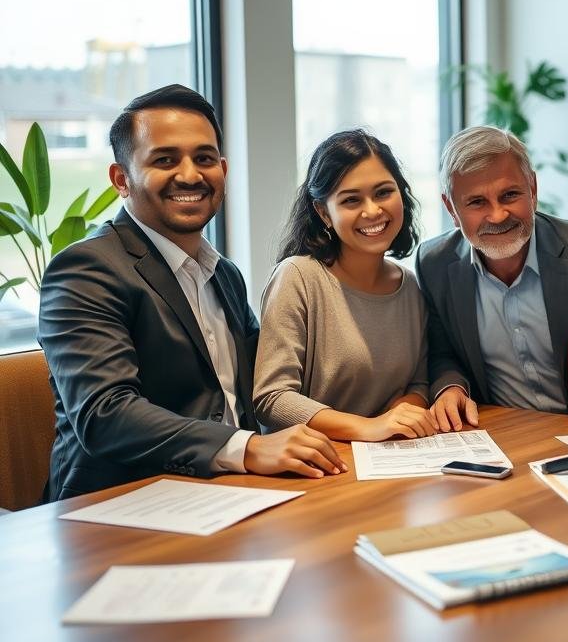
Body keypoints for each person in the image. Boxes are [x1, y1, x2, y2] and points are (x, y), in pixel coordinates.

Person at [39, 85, 345, 501]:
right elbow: (105, 414)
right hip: (122, 504)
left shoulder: (225, 275)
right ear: (121, 179)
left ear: (222, 168)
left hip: (237, 493)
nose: (189, 174)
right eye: (165, 160)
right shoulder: (86, 269)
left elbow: (269, 384)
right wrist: (248, 448)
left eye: (204, 159)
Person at [415, 126, 568, 430]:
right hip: (506, 433)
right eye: (476, 202)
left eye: (510, 195)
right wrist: (452, 388)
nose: (498, 215)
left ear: (533, 189)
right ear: (451, 208)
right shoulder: (434, 263)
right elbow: (442, 352)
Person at [254, 130, 435, 441]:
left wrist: (401, 415)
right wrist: (369, 427)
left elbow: (419, 384)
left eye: (383, 192)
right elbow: (272, 398)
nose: (373, 211)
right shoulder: (297, 276)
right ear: (324, 212)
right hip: (317, 463)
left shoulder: (410, 287)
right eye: (351, 199)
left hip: (391, 459)